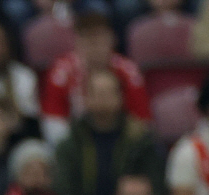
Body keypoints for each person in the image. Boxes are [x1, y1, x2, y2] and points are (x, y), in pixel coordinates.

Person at [52, 69, 164, 195]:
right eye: (97, 93)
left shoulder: (140, 141)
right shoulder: (70, 143)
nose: (103, 98)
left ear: (121, 97)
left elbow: (156, 191)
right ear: (86, 98)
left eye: (108, 93)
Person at [40, 11, 150, 145]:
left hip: (120, 141)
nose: (94, 47)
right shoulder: (62, 72)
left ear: (112, 39)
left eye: (99, 38)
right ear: (76, 41)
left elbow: (141, 121)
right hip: (75, 143)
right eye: (87, 39)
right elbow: (53, 122)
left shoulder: (128, 71)